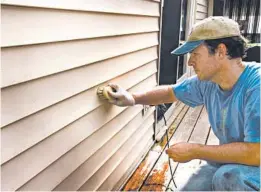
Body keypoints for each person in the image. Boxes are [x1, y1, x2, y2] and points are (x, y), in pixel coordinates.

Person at [106, 17, 260, 191]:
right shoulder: (208, 82)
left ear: (220, 52)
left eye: (195, 54)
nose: (189, 62)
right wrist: (132, 98)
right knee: (195, 186)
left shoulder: (257, 86)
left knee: (229, 178)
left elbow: (255, 153)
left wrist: (195, 151)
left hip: (254, 162)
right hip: (236, 161)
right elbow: (170, 92)